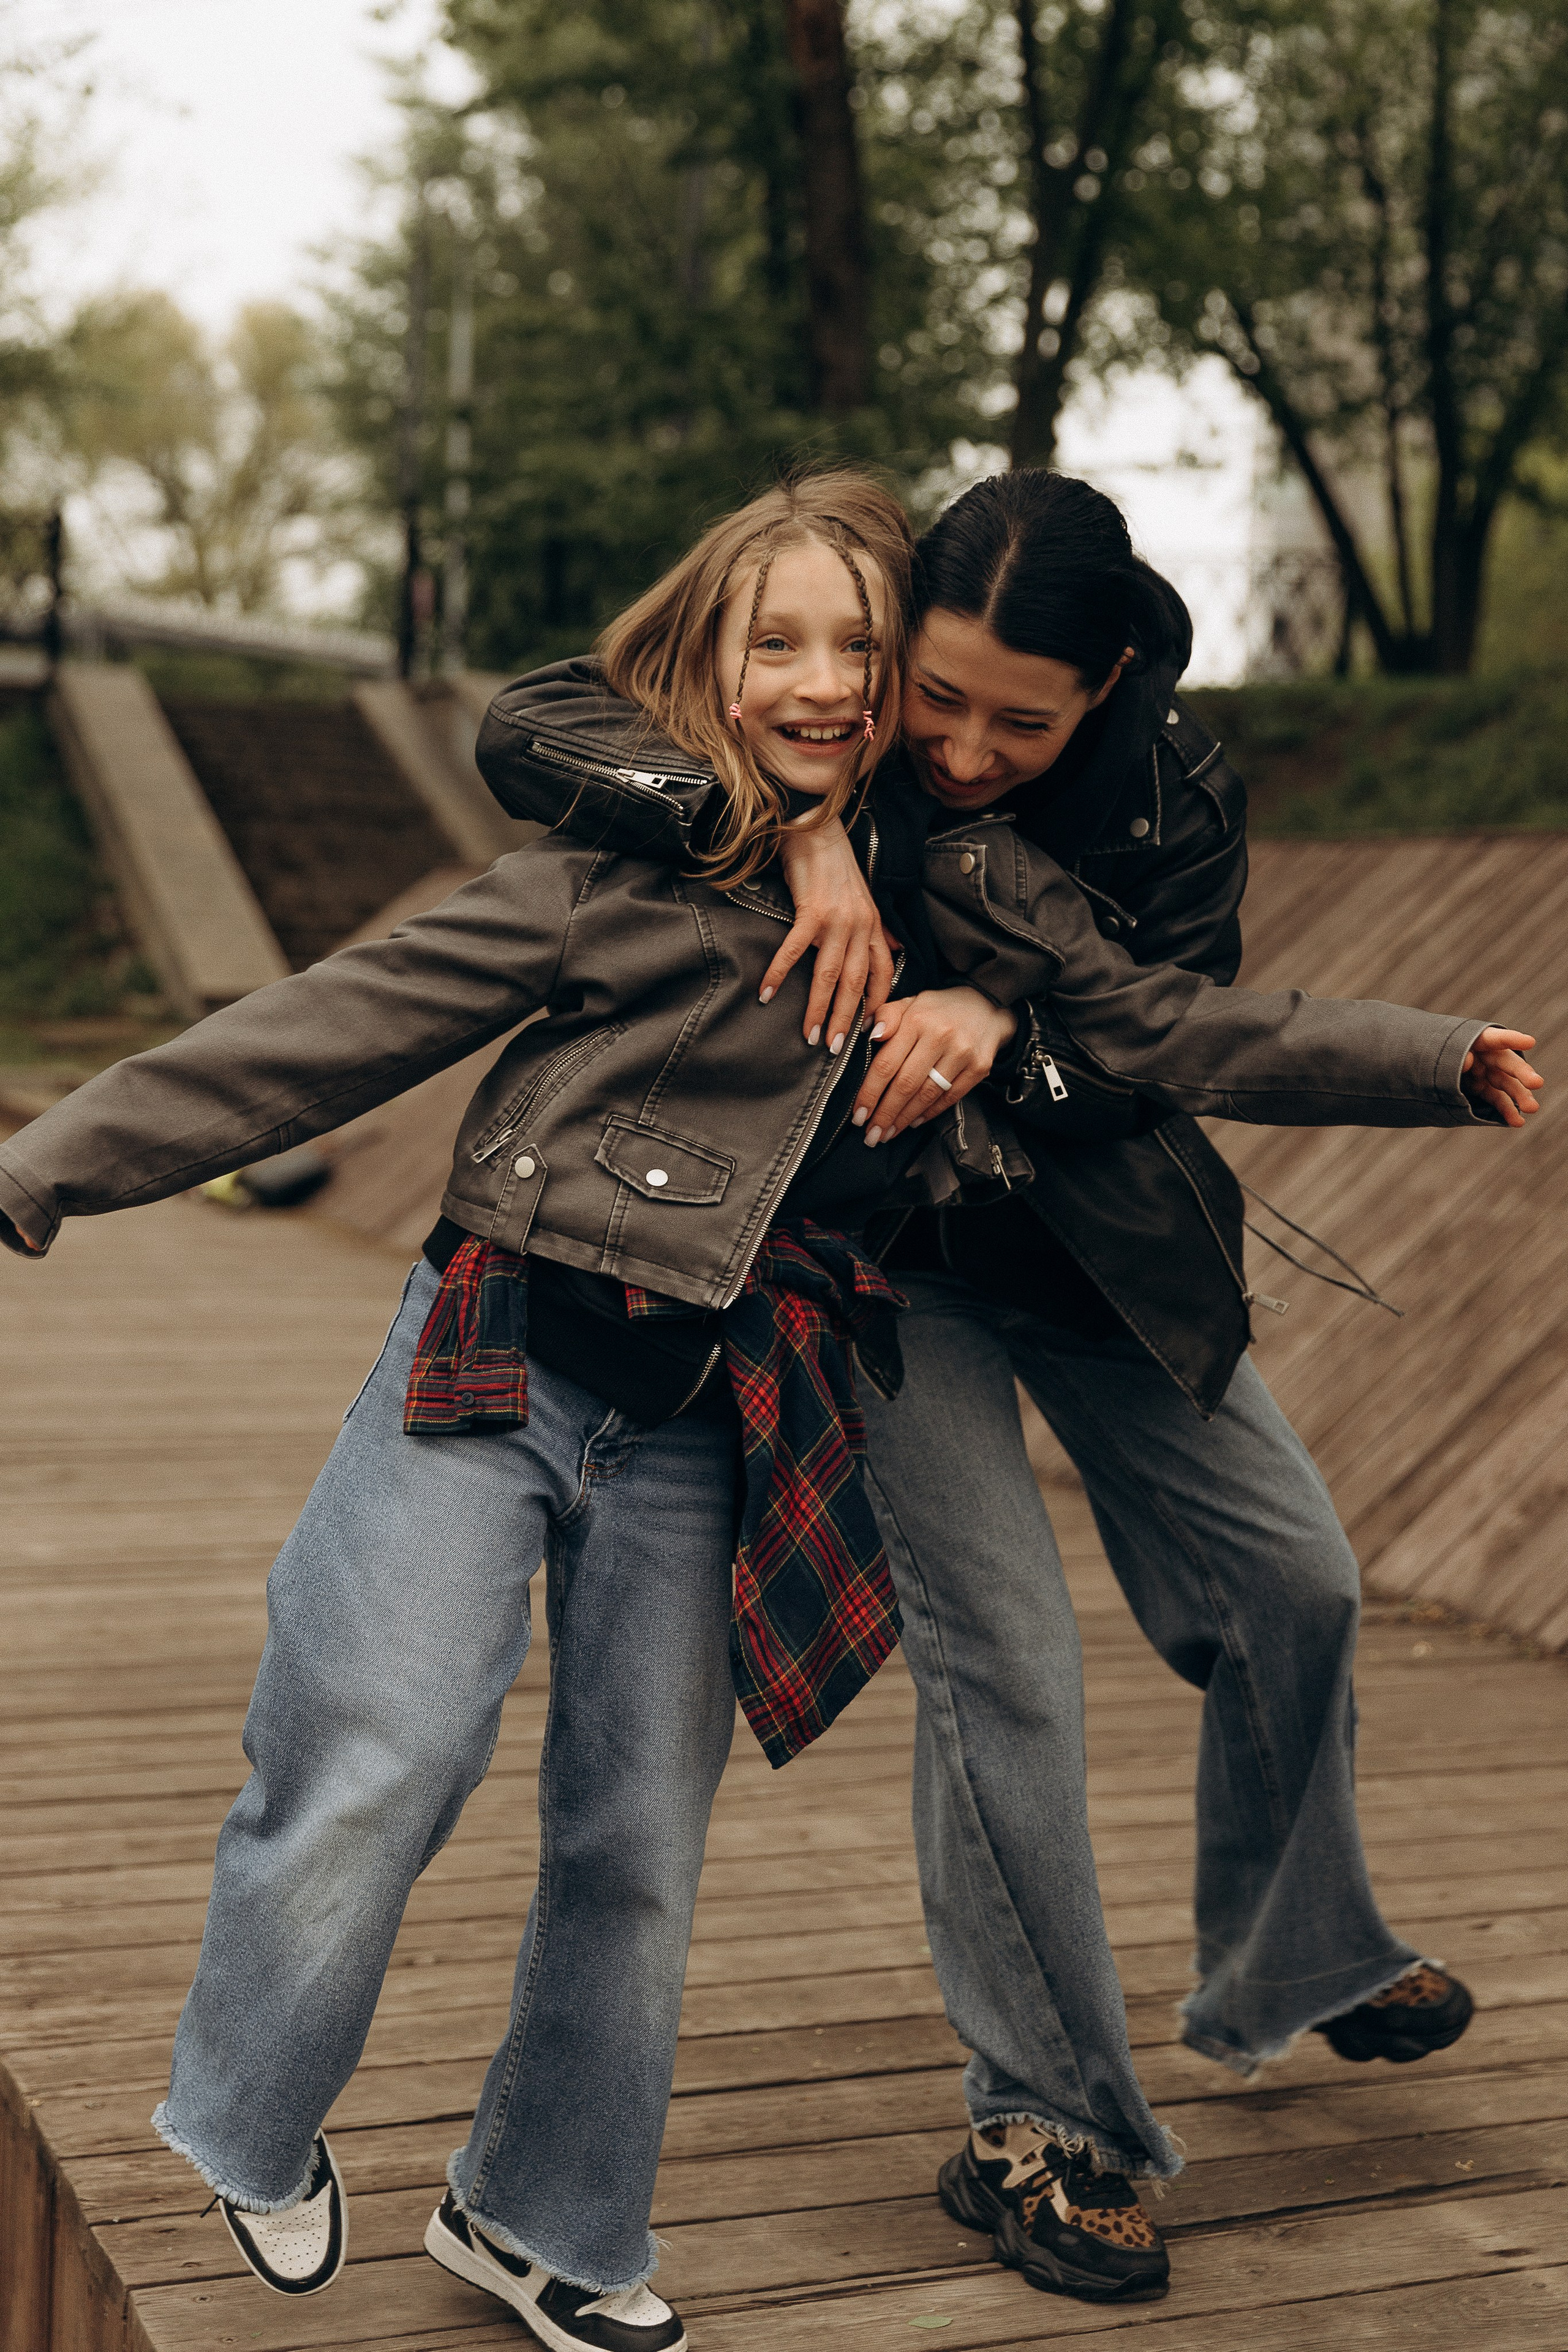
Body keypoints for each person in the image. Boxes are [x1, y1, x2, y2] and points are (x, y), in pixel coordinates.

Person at [0, 472, 1537, 2343]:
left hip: (868, 1340)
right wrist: (42, 1168)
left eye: (875, 664)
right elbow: (344, 1002)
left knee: (666, 1833)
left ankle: (552, 2217)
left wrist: (1416, 1058)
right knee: (433, 1727)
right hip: (631, 1327)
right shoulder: (641, 861)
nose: (912, 725)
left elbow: (1172, 1021)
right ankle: (276, 2121)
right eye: (874, 678)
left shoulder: (1058, 845)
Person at [488, 467, 1545, 2313]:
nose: (965, 752)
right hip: (886, 1271)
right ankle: (1041, 2123)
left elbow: (1173, 1029)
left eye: (1020, 723)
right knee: (1009, 1667)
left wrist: (1004, 1026)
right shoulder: (835, 706)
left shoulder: (1176, 789)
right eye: (938, 700)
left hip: (1101, 1253)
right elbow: (538, 721)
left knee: (1297, 1580)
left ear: (1107, 683)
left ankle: (1302, 1952)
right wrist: (799, 831)